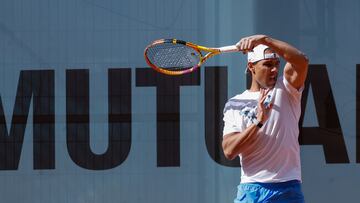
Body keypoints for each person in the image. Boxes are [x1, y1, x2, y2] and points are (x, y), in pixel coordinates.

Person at [222, 34, 309, 203]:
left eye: (277, 64)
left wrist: (264, 40)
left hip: (288, 188)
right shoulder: (235, 103)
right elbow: (229, 150)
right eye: (268, 64)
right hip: (252, 189)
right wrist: (259, 122)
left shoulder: (287, 87)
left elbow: (302, 61)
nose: (275, 69)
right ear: (251, 67)